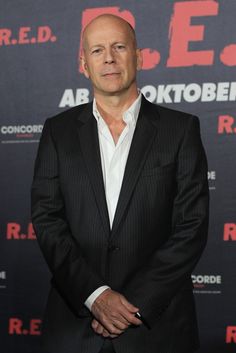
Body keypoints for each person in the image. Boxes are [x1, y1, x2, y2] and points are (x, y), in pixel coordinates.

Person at [31, 14, 209, 353]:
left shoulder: (181, 130)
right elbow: (47, 220)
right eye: (97, 50)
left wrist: (132, 305)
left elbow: (191, 226)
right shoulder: (58, 132)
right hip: (75, 326)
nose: (109, 58)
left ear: (139, 57)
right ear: (83, 64)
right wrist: (96, 296)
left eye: (118, 47)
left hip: (156, 327)